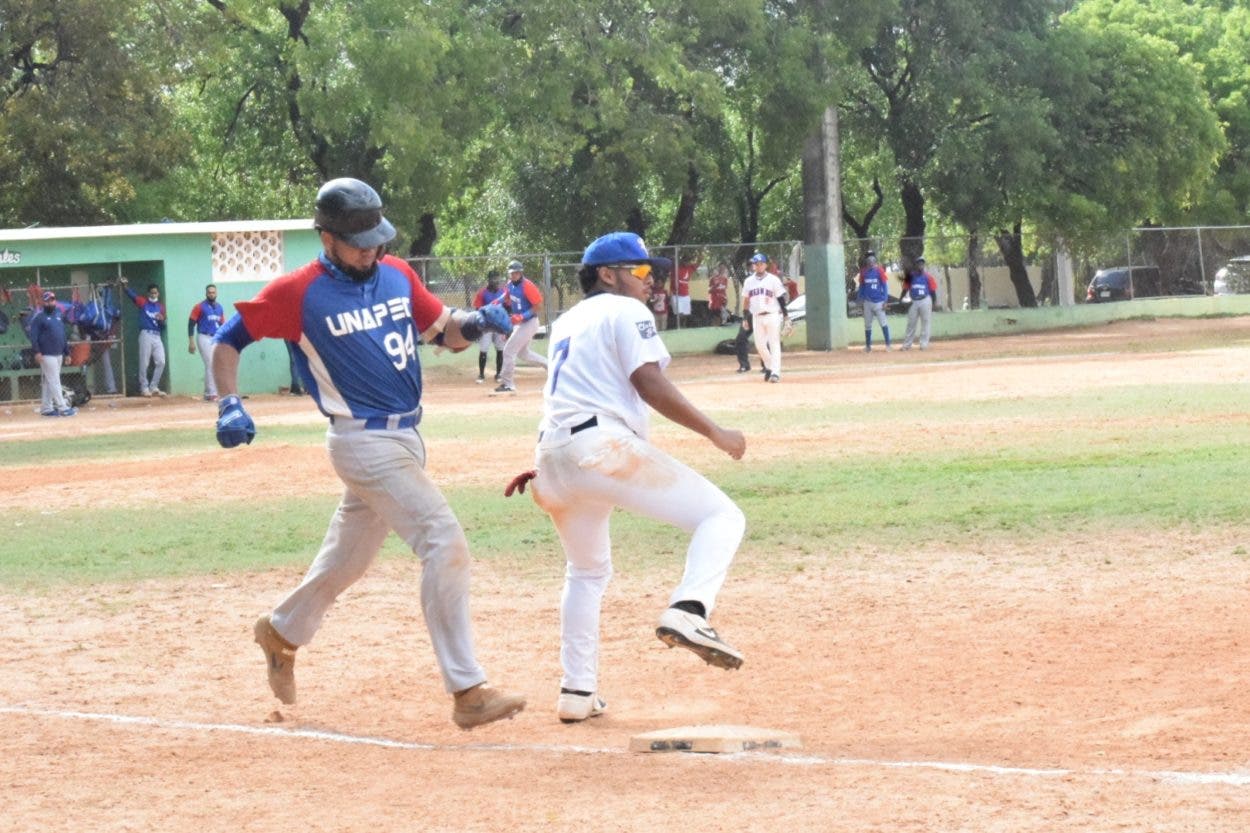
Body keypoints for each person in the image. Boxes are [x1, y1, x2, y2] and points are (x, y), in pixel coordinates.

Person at [210, 177, 525, 730]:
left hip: (406, 438)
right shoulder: (298, 292)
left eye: (376, 240)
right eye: (358, 243)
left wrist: (476, 324)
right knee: (444, 541)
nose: (370, 251)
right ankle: (468, 690)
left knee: (347, 561)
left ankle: (281, 632)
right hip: (361, 441)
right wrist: (228, 403)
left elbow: (442, 331)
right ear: (327, 238)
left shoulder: (397, 274)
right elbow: (228, 339)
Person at [504, 231, 747, 724]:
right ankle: (689, 610)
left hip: (553, 453)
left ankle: (577, 690)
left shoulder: (568, 320)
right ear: (607, 275)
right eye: (639, 270)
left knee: (587, 572)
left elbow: (565, 395)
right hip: (600, 448)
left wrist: (553, 459)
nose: (650, 279)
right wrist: (714, 432)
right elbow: (648, 382)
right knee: (721, 516)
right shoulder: (623, 309)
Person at [494, 259, 547, 394]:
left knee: (508, 351)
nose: (514, 275)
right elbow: (506, 297)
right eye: (512, 273)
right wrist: (497, 301)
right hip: (521, 324)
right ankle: (551, 366)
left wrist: (522, 316)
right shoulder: (510, 284)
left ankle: (508, 384)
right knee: (524, 354)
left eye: (517, 273)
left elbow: (538, 306)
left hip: (529, 322)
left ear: (521, 272)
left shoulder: (527, 286)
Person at [741, 253, 789, 383]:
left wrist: (786, 315)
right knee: (760, 345)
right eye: (755, 264)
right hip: (757, 317)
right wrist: (745, 317)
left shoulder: (773, 279)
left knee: (774, 343)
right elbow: (746, 300)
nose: (757, 266)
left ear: (765, 265)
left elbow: (780, 298)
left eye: (760, 263)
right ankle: (769, 367)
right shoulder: (748, 281)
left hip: (772, 315)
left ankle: (775, 373)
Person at [27, 290, 76, 417]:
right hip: (46, 354)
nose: (50, 302)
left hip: (59, 353)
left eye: (52, 300)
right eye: (47, 300)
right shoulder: (39, 317)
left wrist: (67, 353)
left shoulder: (59, 314)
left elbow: (62, 335)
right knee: (54, 380)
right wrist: (37, 352)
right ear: (43, 302)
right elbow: (33, 337)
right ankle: (63, 408)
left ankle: (46, 408)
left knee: (49, 382)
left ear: (55, 300)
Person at [121, 278, 168, 395]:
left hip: (157, 335)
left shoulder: (161, 307)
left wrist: (162, 320)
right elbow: (132, 296)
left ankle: (154, 386)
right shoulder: (144, 302)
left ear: (158, 293)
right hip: (146, 334)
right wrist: (125, 286)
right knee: (144, 362)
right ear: (148, 294)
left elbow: (163, 326)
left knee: (161, 361)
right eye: (151, 292)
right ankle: (144, 387)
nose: (154, 294)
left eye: (155, 292)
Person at [188, 283, 225, 401]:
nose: (211, 294)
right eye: (209, 292)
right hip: (204, 337)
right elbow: (191, 323)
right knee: (210, 363)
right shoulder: (199, 306)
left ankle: (207, 393)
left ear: (216, 293)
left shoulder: (219, 307)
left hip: (216, 338)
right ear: (206, 293)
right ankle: (212, 393)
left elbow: (223, 325)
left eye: (213, 292)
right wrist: (191, 341)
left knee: (215, 364)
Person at [472, 270, 507, 383]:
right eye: (493, 279)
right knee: (483, 350)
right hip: (486, 326)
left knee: (500, 350)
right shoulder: (482, 293)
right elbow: (477, 309)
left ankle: (498, 374)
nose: (496, 281)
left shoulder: (504, 292)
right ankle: (481, 374)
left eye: (498, 279)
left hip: (499, 325)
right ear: (489, 280)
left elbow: (508, 307)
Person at [900, 256, 938, 350]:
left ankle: (923, 344)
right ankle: (907, 345)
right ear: (916, 265)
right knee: (911, 323)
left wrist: (934, 302)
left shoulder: (928, 277)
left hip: (925, 299)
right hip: (913, 301)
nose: (921, 265)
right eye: (919, 263)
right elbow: (905, 289)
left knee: (925, 322)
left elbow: (933, 291)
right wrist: (900, 298)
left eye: (922, 263)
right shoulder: (911, 276)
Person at [857, 251, 892, 352]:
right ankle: (868, 347)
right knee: (867, 325)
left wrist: (885, 300)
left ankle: (888, 345)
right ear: (866, 262)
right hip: (867, 302)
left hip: (879, 302)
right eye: (869, 260)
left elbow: (885, 286)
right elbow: (862, 287)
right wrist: (860, 300)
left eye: (873, 260)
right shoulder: (863, 272)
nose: (871, 262)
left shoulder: (879, 271)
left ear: (875, 261)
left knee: (883, 323)